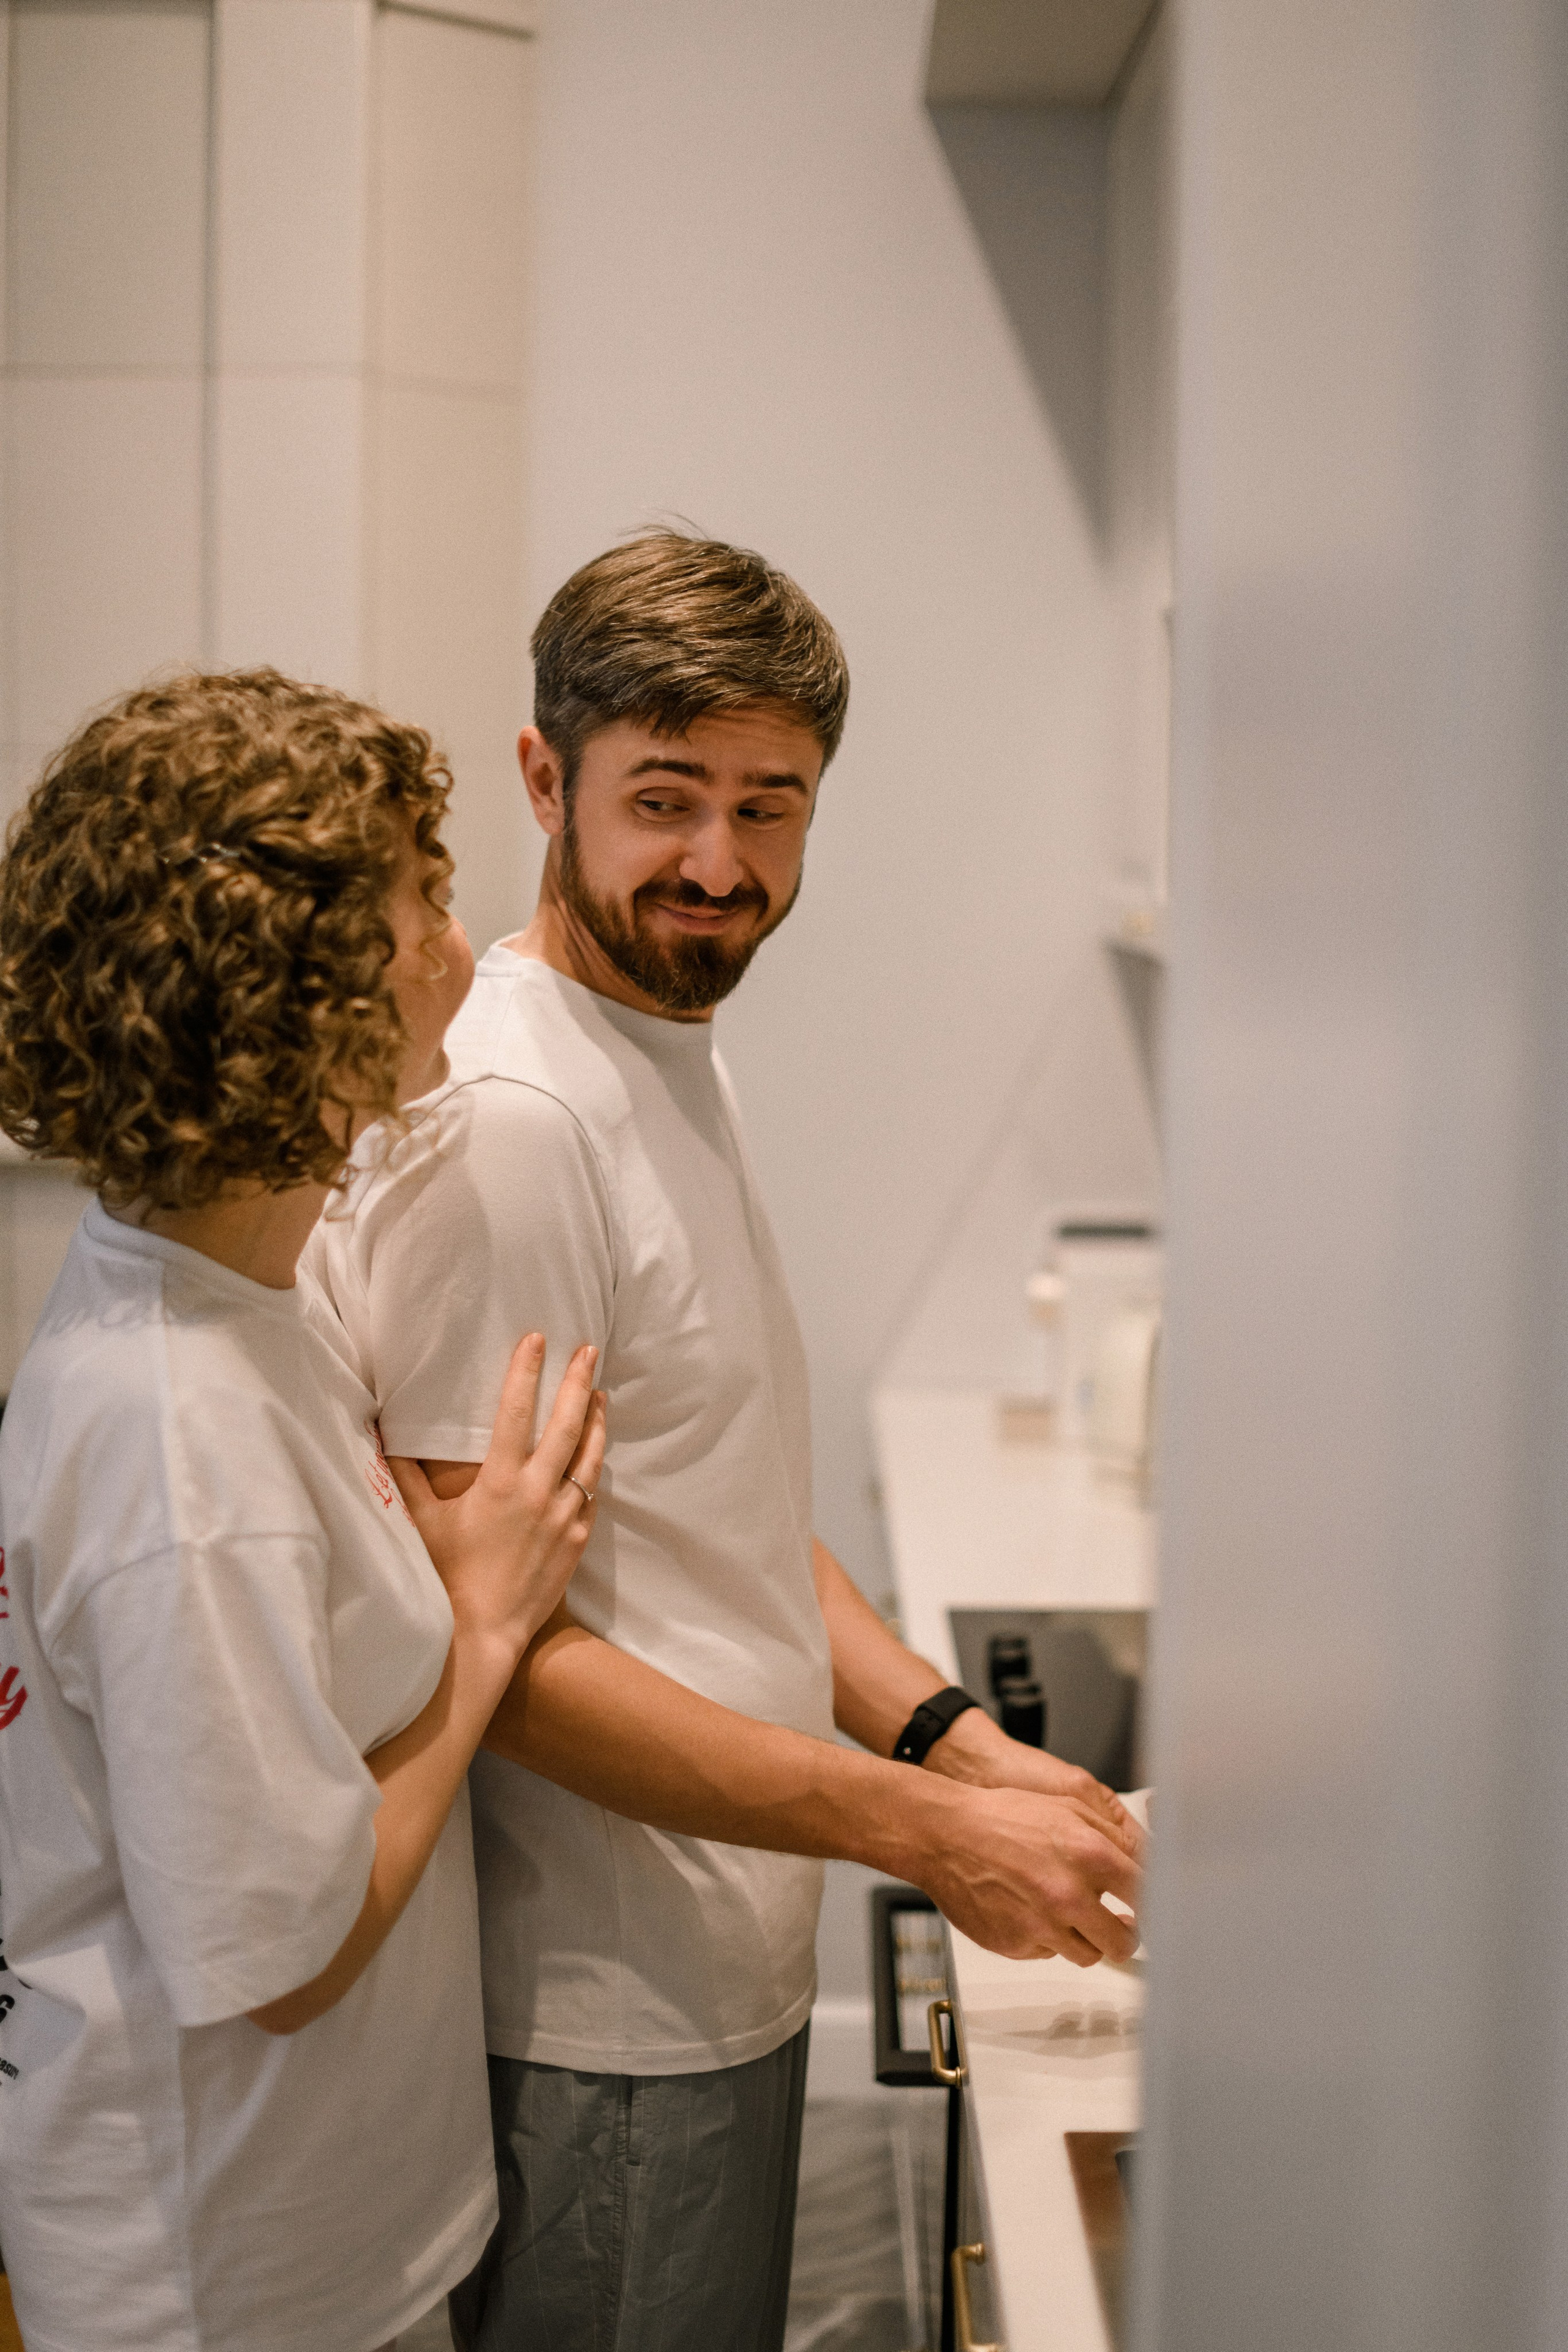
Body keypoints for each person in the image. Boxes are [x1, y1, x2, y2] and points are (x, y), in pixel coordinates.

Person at [311, 534, 1145, 2352]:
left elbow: (724, 1503)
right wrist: (916, 1827)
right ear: (547, 778)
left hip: (715, 1963)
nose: (718, 865)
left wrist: (952, 1739)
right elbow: (492, 1654)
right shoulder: (522, 1123)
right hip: (599, 2014)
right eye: (665, 799)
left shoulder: (667, 1037)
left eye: (770, 807)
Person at [0, 671, 605, 2352]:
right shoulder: (182, 1436)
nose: (461, 943)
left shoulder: (233, 1296)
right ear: (286, 983)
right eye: (420, 892)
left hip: (305, 2242)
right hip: (223, 2285)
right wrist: (483, 1634)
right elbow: (282, 1952)